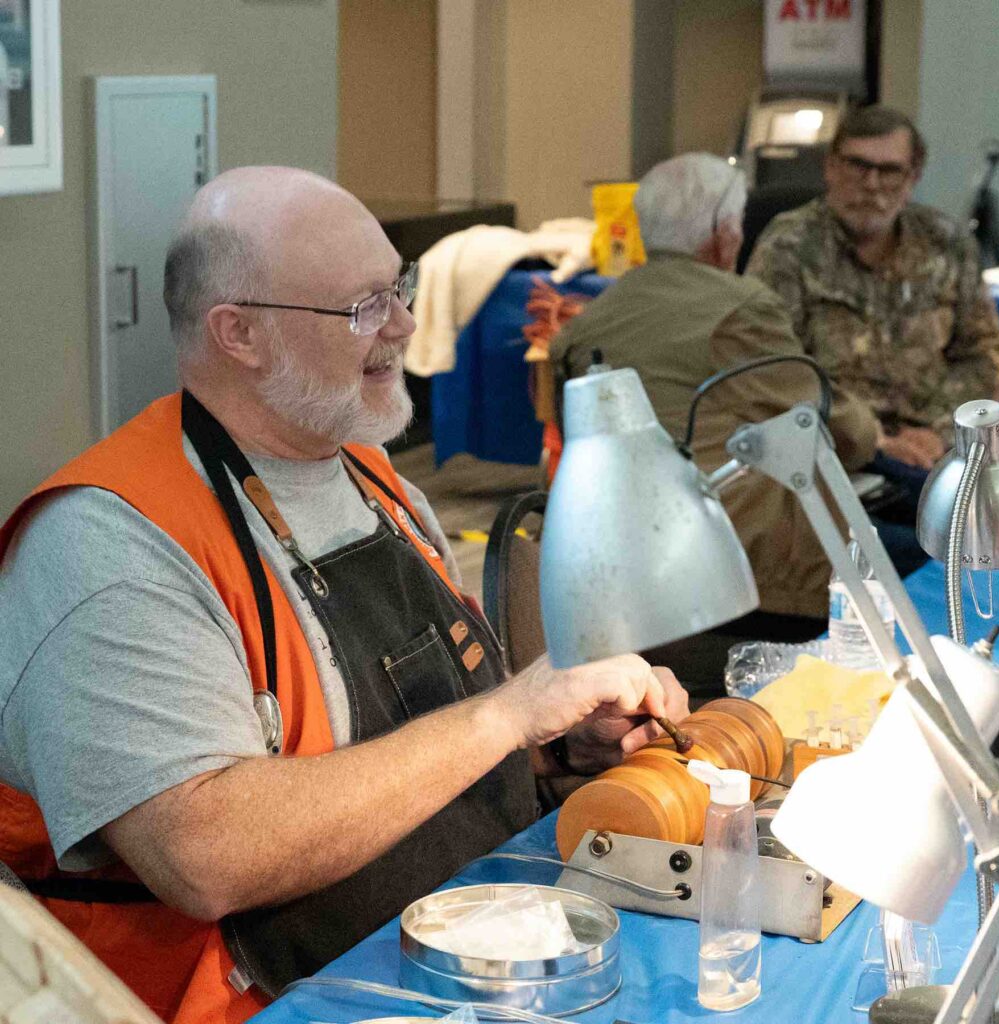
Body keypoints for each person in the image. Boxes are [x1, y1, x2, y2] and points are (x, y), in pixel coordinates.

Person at [0, 167, 689, 1024]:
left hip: (467, 952)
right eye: (364, 305)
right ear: (239, 333)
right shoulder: (108, 547)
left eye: (399, 286)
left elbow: (418, 750)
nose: (403, 324)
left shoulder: (367, 472)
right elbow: (205, 856)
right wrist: (507, 715)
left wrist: (557, 743)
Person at [549, 153, 879, 695]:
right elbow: (830, 426)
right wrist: (882, 434)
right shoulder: (741, 306)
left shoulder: (590, 322)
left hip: (614, 566)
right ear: (724, 231)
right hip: (733, 571)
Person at [747, 105, 999, 541]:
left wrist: (938, 432)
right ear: (830, 166)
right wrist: (878, 443)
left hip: (935, 452)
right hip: (836, 455)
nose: (871, 185)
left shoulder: (947, 244)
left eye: (889, 171)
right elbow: (772, 372)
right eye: (858, 166)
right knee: (926, 550)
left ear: (913, 177)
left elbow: (982, 354)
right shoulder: (788, 247)